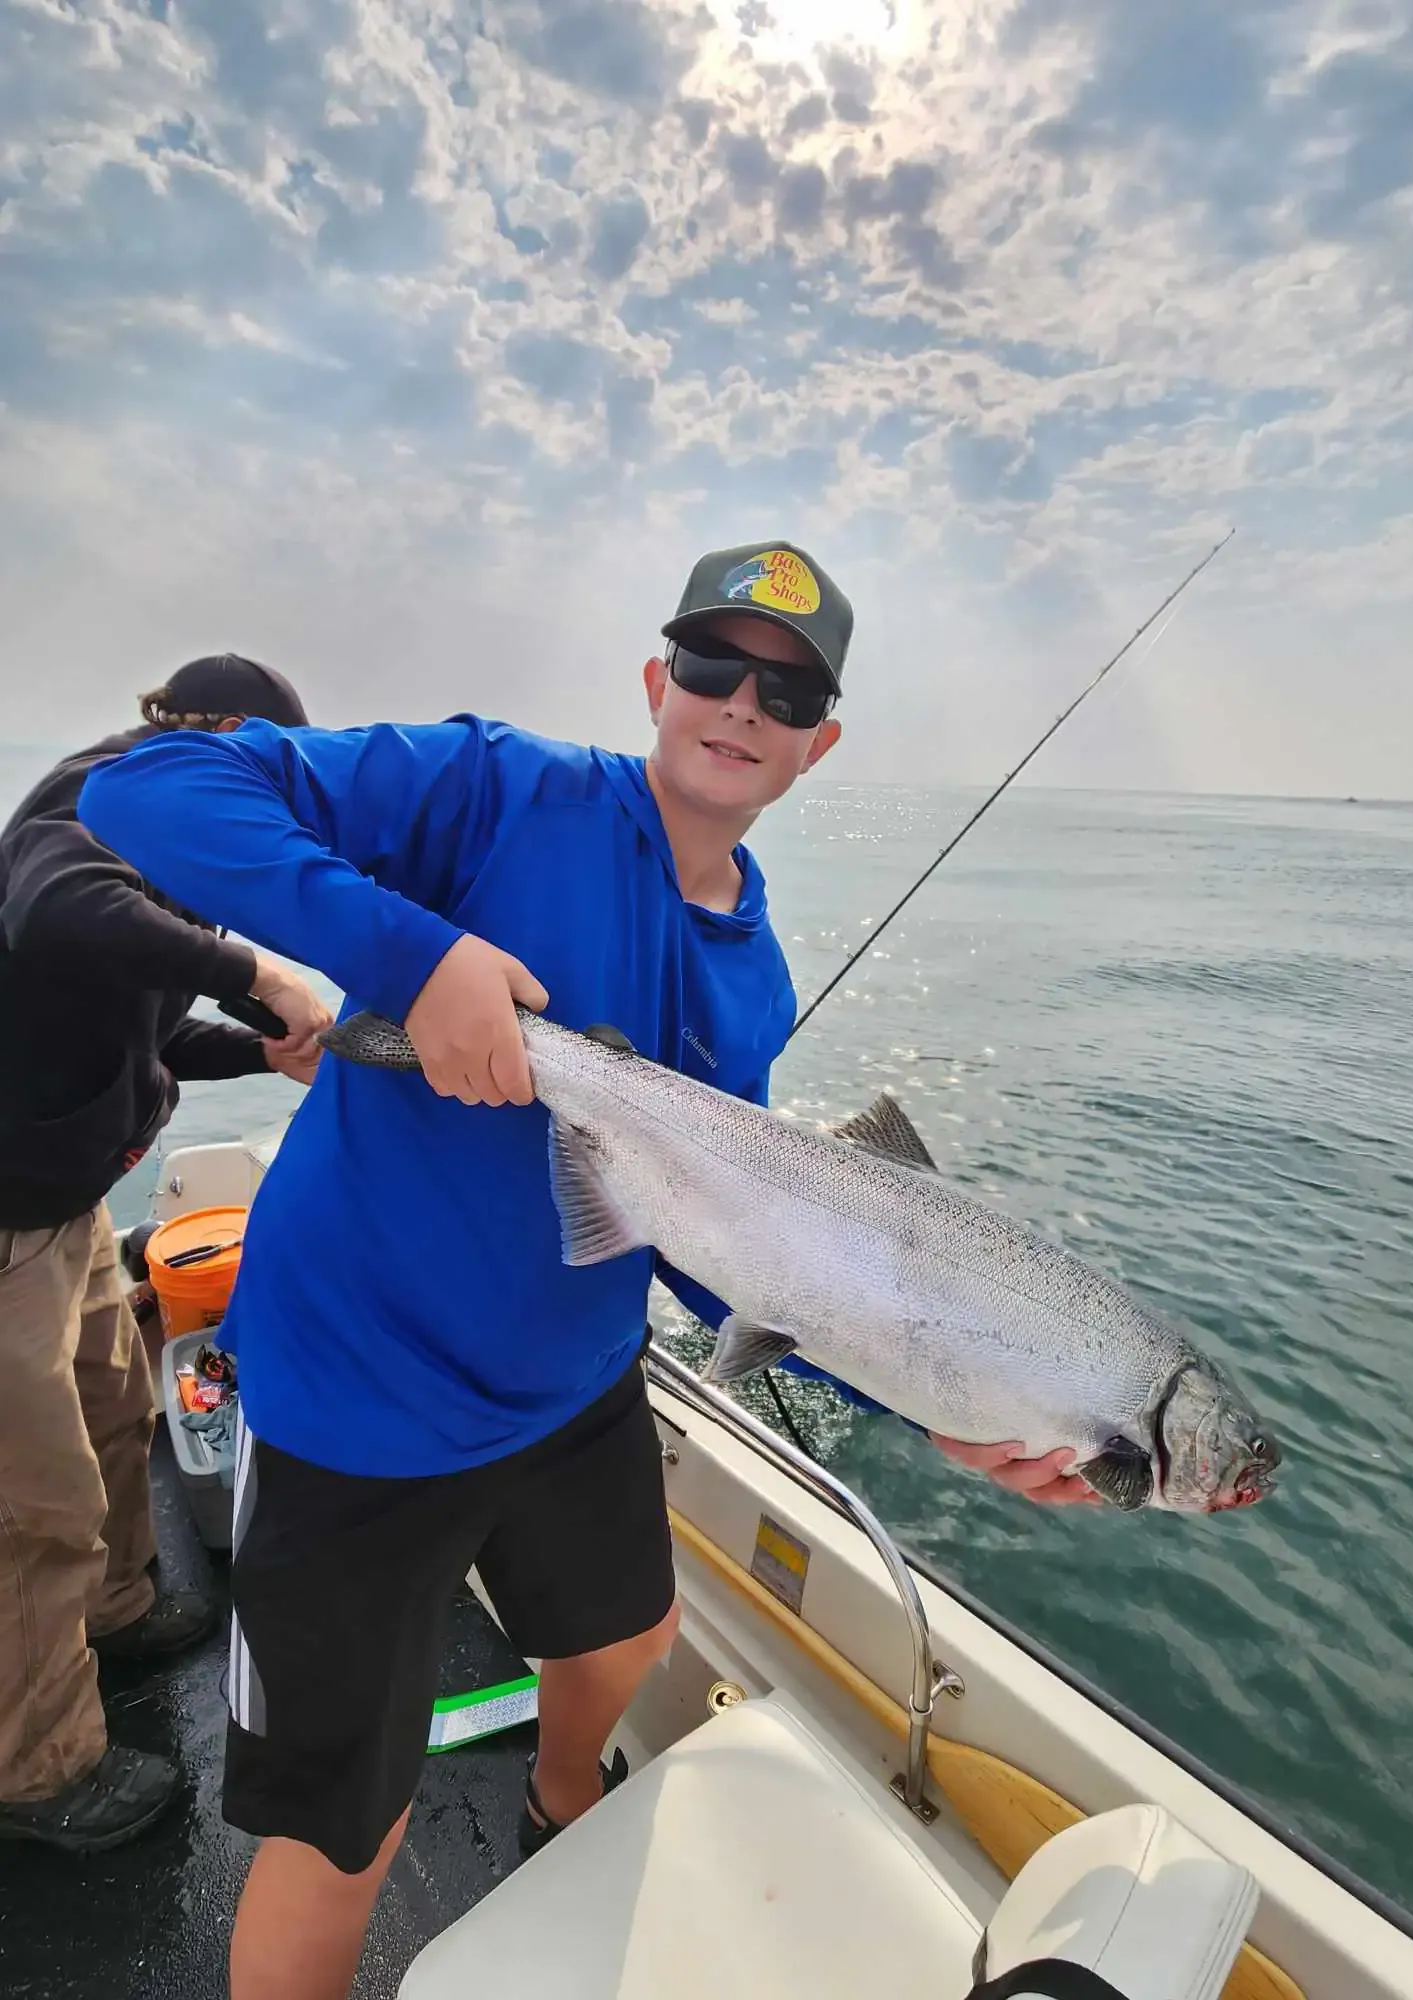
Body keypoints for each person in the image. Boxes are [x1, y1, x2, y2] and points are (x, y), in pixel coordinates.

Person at [77, 549, 1090, 2000]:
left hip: (571, 1384)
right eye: (713, 665)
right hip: (361, 1400)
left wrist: (941, 1399)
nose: (743, 702)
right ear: (654, 681)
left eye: (787, 689)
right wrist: (417, 960)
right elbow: (144, 793)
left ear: (821, 742)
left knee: (630, 1635)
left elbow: (721, 1245)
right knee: (339, 1828)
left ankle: (565, 1805)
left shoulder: (756, 975)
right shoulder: (497, 787)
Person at [0, 654, 333, 1856]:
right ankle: (38, 1773)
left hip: (69, 1198)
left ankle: (120, 1607)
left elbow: (141, 1012)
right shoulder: (98, 795)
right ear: (226, 737)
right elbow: (53, 903)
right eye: (273, 777)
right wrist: (260, 971)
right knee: (31, 1502)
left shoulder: (168, 842)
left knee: (112, 1410)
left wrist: (263, 1049)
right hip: (4, 1219)